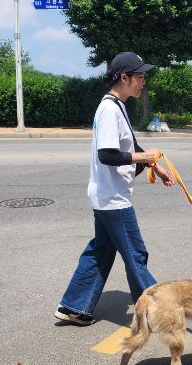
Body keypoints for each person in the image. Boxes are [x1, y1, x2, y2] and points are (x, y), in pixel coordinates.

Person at [55, 52, 175, 326]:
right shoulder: (109, 109)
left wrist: (154, 164)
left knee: (101, 251)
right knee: (135, 254)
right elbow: (107, 154)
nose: (143, 82)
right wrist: (144, 157)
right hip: (113, 199)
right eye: (140, 77)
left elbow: (129, 145)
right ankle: (157, 311)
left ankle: (74, 306)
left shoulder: (116, 105)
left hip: (106, 195)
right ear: (124, 78)